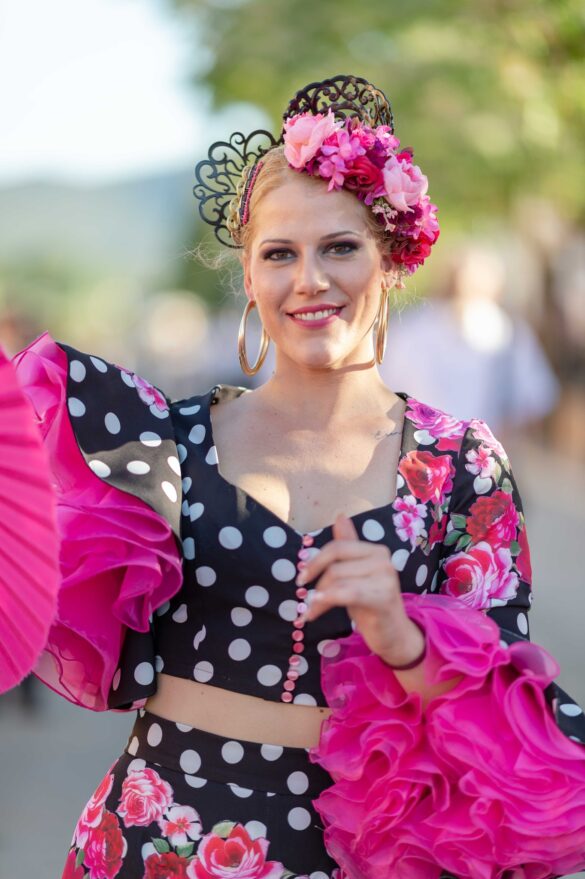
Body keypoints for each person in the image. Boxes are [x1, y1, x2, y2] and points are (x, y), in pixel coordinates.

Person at [10, 74, 585, 879]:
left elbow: (505, 715)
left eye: (339, 247)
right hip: (161, 836)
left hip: (356, 851)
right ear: (249, 278)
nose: (309, 278)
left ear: (390, 261)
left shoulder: (461, 462)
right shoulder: (162, 442)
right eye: (279, 253)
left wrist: (402, 636)